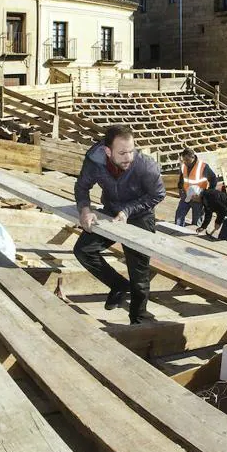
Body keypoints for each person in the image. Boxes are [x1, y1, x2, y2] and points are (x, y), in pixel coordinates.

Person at [74, 125, 165, 324]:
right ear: (108, 151)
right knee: (84, 250)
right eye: (122, 153)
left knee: (138, 272)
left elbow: (158, 194)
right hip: (111, 209)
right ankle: (118, 285)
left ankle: (138, 317)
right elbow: (82, 186)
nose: (128, 158)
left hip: (140, 214)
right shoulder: (95, 162)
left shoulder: (146, 166)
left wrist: (128, 211)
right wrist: (85, 209)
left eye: (131, 151)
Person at [175, 148, 218, 226]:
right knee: (179, 215)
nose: (185, 162)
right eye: (184, 160)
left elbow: (213, 179)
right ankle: (176, 230)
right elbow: (182, 178)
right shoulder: (183, 166)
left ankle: (193, 236)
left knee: (196, 221)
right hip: (186, 195)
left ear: (193, 157)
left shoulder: (203, 166)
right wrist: (180, 188)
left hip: (197, 197)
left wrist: (208, 194)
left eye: (187, 160)